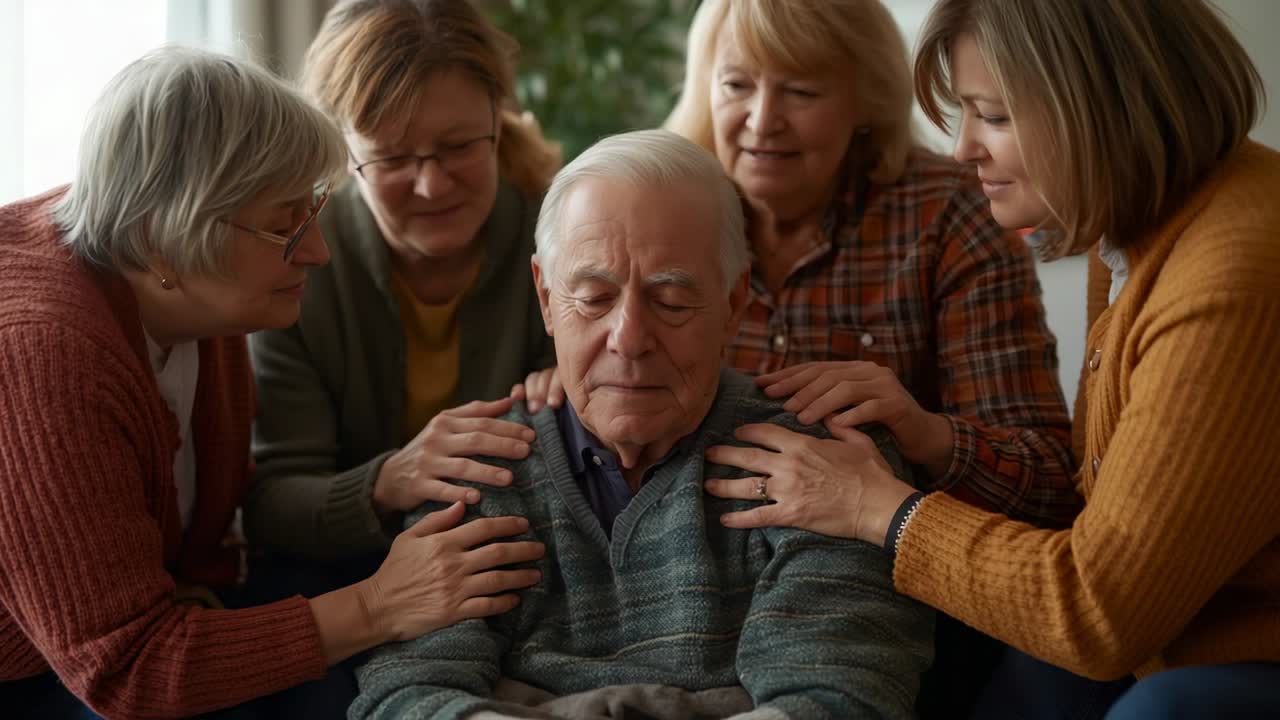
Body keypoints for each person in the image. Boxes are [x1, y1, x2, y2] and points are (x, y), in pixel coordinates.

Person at [707, 0, 1280, 717]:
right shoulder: (1131, 229)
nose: (962, 148)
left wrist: (875, 506)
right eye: (965, 113)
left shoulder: (1231, 277)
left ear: (1101, 106)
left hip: (1202, 653)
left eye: (995, 116)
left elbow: (1097, 610)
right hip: (1152, 638)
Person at [0, 46, 544, 719]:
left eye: (309, 212)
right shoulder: (41, 354)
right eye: (284, 227)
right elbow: (129, 671)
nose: (316, 250)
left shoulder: (194, 286)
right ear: (161, 240)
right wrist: (379, 604)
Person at [350, 130, 934, 720]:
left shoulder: (825, 462)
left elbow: (839, 697)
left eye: (671, 301)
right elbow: (406, 695)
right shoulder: (476, 469)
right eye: (593, 298)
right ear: (546, 299)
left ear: (734, 304)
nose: (628, 340)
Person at [664, 0, 1080, 711]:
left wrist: (926, 433)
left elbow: (1050, 486)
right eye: (736, 85)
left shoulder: (949, 211)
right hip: (685, 612)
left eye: (801, 90)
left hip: (896, 620)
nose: (762, 120)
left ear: (864, 98)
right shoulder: (665, 206)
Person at [245, 0, 562, 593]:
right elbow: (271, 505)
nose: (432, 185)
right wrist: (388, 480)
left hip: (527, 574)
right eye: (391, 157)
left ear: (499, 120)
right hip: (340, 584)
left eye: (460, 146)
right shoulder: (296, 268)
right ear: (343, 151)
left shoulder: (564, 240)